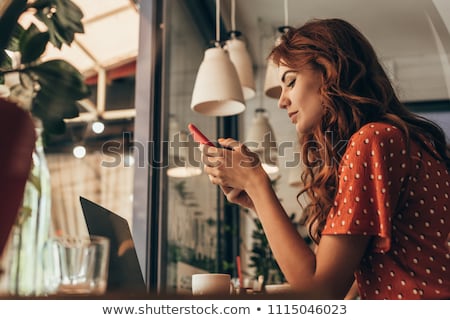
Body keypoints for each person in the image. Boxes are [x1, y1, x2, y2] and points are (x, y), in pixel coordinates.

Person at [200, 18, 450, 299]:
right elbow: (335, 273)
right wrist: (256, 200)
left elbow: (319, 293)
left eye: (291, 82)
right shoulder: (398, 139)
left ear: (329, 71)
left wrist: (258, 184)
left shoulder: (372, 140)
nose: (282, 101)